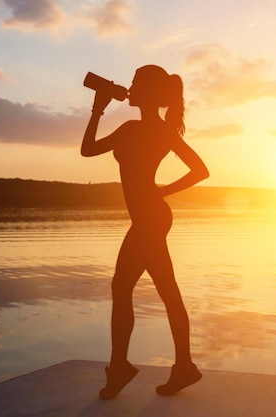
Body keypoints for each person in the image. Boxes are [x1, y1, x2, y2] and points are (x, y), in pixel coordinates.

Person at [81, 65, 209, 398]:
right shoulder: (141, 129)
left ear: (149, 92)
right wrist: (99, 106)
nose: (131, 87)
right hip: (147, 218)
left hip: (151, 218)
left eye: (137, 83)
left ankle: (128, 368)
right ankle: (177, 368)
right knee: (152, 289)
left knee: (137, 288)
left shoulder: (146, 130)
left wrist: (161, 192)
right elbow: (88, 149)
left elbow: (200, 170)